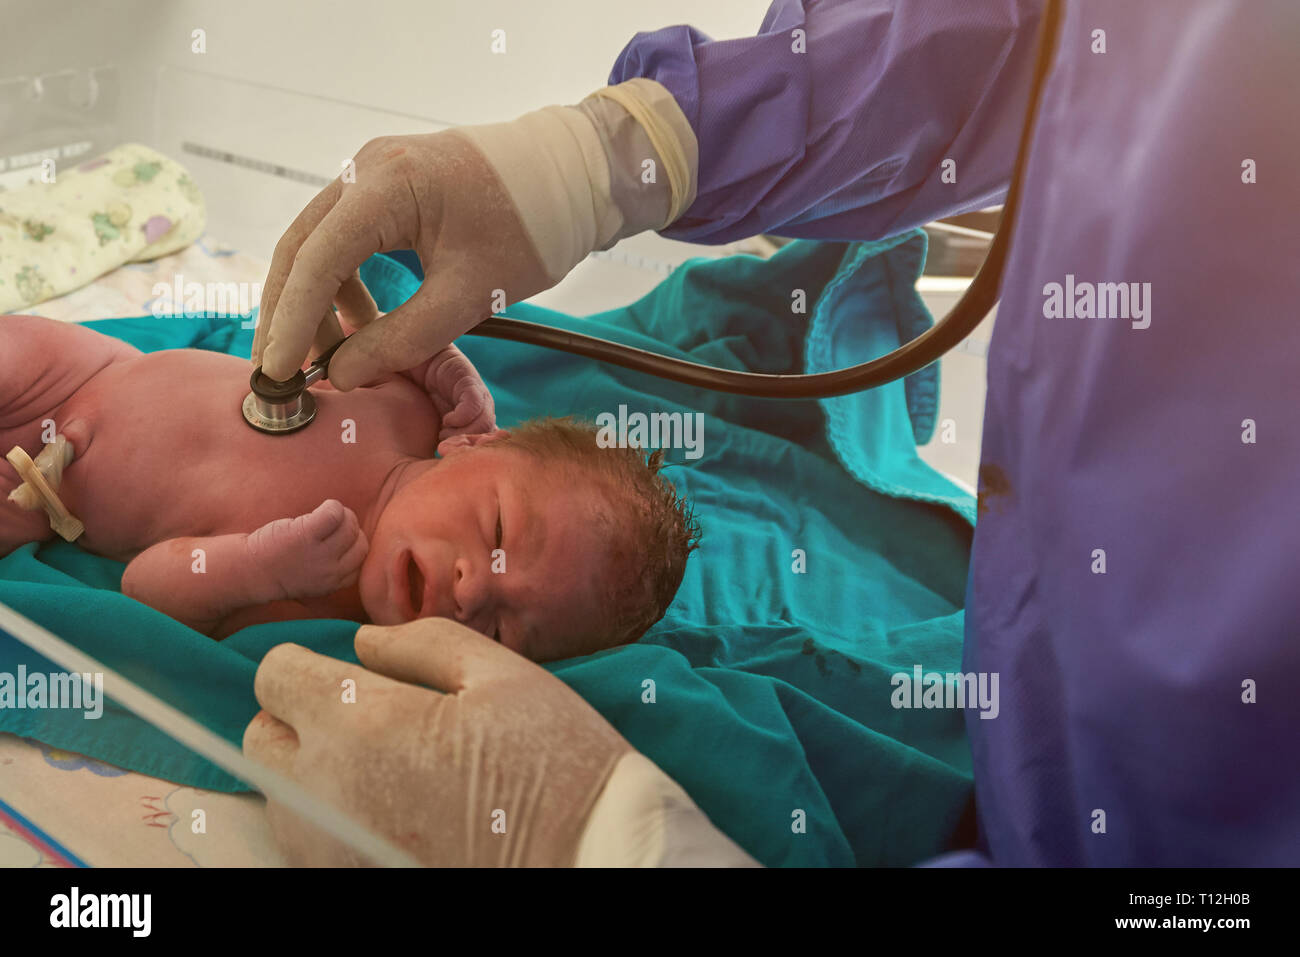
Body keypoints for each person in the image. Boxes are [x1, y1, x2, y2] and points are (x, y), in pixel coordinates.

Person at [245, 0, 1300, 866]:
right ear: (469, 444)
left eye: (508, 627)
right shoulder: (406, 386)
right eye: (498, 530)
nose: (476, 589)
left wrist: (619, 847)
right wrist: (601, 157)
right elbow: (1014, 39)